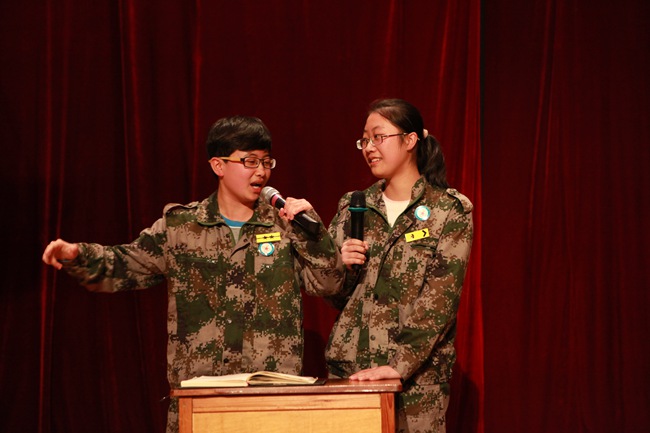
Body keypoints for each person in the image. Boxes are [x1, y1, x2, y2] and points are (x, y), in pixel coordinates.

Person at [42, 115, 344, 433]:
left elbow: (329, 282)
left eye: (266, 162)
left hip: (270, 398)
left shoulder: (285, 224)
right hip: (201, 398)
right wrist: (77, 254)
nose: (261, 171)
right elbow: (125, 264)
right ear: (218, 165)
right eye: (250, 161)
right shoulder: (181, 227)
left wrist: (313, 229)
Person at [325, 98, 473, 433]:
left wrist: (399, 365)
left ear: (410, 140)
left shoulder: (448, 210)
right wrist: (337, 263)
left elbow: (440, 300)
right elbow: (333, 295)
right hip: (352, 371)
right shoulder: (354, 206)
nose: (369, 148)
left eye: (378, 137)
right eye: (364, 140)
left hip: (416, 382)